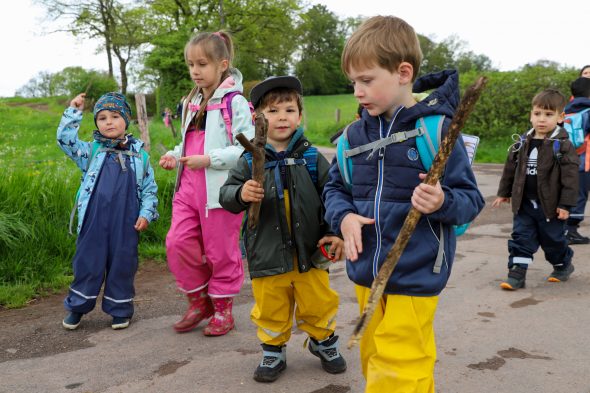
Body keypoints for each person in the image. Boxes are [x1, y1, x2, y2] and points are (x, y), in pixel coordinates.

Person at [322, 16, 485, 392]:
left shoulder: (437, 131)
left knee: (399, 362)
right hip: (365, 271)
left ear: (403, 72)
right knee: (375, 356)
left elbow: (470, 200)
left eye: (366, 80)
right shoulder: (351, 137)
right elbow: (334, 190)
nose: (357, 92)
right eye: (353, 83)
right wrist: (343, 218)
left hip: (416, 270)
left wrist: (441, 200)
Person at [219, 76, 347, 383]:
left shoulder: (312, 157)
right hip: (267, 252)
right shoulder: (249, 160)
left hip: (310, 251)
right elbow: (227, 195)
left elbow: (333, 195)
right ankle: (273, 349)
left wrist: (334, 231)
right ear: (258, 117)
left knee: (318, 301)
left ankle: (323, 340)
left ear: (300, 116)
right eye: (273, 111)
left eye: (289, 110)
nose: (282, 117)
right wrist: (241, 194)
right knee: (270, 306)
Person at [159, 31, 254, 336]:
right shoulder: (191, 101)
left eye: (202, 64)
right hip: (188, 185)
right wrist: (175, 156)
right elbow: (187, 145)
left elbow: (246, 148)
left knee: (220, 251)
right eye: (191, 65)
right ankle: (199, 301)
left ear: (222, 64)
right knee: (177, 242)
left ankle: (223, 309)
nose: (195, 71)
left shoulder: (234, 102)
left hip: (220, 191)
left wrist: (209, 159)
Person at [58, 92, 159, 330]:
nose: (109, 122)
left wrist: (146, 213)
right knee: (87, 262)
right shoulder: (91, 152)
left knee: (123, 263)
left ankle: (120, 308)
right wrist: (73, 112)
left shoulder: (140, 156)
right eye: (102, 118)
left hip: (126, 223)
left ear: (126, 120)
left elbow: (149, 190)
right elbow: (65, 141)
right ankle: (77, 307)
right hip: (94, 219)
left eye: (115, 116)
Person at [493, 89, 579, 289]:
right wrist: (504, 193)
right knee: (521, 238)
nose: (542, 119)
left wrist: (566, 204)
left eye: (549, 115)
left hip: (551, 207)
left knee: (553, 242)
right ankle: (516, 275)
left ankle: (563, 264)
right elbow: (510, 169)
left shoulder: (563, 146)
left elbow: (571, 179)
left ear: (560, 117)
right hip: (524, 205)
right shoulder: (522, 142)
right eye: (537, 113)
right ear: (531, 115)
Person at [565, 77, 590, 244]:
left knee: (571, 192)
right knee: (580, 195)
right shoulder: (588, 111)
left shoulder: (567, 110)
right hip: (584, 160)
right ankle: (571, 230)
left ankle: (566, 228)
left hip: (567, 158)